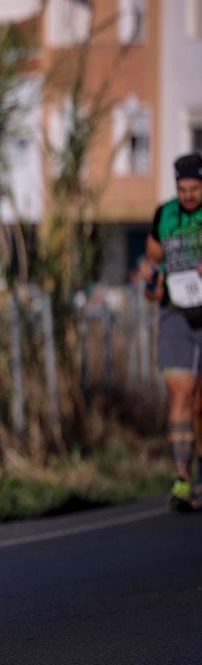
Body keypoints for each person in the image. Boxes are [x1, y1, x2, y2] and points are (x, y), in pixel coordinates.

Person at [139, 151, 202, 511]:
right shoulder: (165, 215)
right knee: (180, 393)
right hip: (176, 315)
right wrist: (151, 281)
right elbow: (153, 264)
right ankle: (182, 479)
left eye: (195, 188)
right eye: (183, 188)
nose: (189, 195)